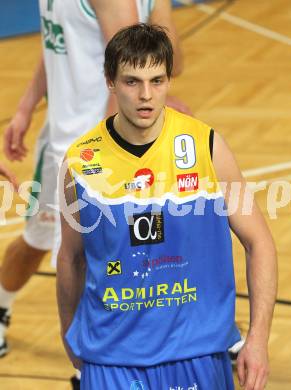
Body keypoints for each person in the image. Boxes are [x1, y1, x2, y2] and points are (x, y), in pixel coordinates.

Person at [57, 24, 277, 390]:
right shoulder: (81, 162)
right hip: (111, 359)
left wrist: (258, 337)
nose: (146, 95)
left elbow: (260, 243)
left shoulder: (207, 147)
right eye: (132, 81)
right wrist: (70, 336)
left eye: (157, 80)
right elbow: (71, 259)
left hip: (198, 354)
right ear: (110, 80)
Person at [0, 0, 188, 361]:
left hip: (91, 150)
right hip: (60, 144)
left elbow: (132, 68)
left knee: (105, 264)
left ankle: (98, 366)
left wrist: (109, 153)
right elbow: (57, 42)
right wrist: (25, 107)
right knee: (37, 242)